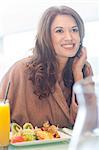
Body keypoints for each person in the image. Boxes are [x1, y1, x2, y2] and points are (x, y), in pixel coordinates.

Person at [0, 6, 93, 129]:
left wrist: (77, 74)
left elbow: (89, 124)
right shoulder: (21, 71)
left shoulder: (83, 69)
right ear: (46, 36)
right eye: (59, 31)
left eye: (74, 30)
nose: (69, 37)